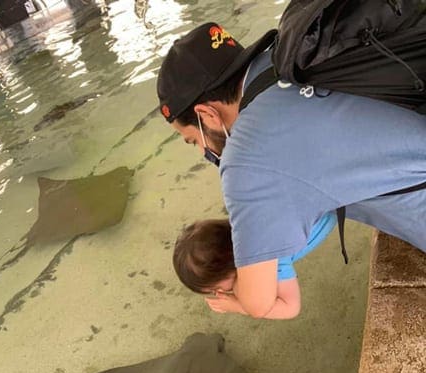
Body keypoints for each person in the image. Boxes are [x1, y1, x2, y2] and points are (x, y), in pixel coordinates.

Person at [156, 22, 426, 319]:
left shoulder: (246, 160)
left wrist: (232, 296)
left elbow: (258, 302)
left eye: (194, 140)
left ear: (206, 114)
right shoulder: (289, 55)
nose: (203, 151)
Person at [172, 211, 337, 319]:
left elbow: (290, 307)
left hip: (335, 207)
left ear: (227, 269)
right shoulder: (246, 223)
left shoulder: (271, 258)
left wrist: (238, 306)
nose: (220, 293)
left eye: (216, 289)